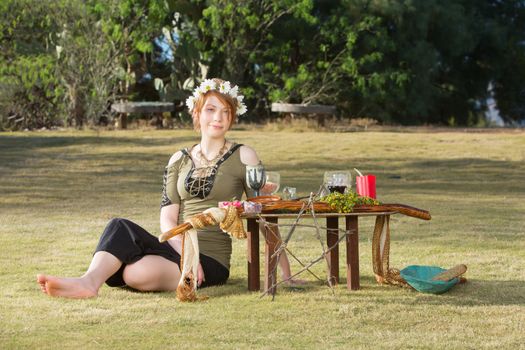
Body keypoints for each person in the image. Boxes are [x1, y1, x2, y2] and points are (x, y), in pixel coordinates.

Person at [37, 78, 302, 299]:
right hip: (178, 246)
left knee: (135, 273)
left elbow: (265, 216)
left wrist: (286, 274)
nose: (218, 118)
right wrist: (187, 253)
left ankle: (103, 276)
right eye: (211, 109)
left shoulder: (244, 155)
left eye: (226, 111)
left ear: (233, 116)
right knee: (118, 226)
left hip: (211, 260)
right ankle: (88, 282)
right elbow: (167, 219)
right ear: (197, 113)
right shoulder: (178, 159)